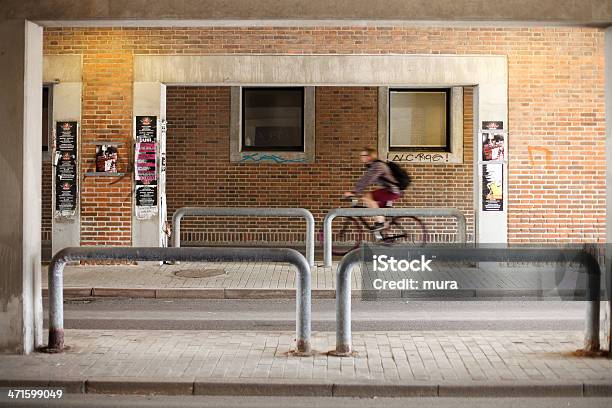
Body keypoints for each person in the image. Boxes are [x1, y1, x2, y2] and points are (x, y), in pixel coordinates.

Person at [344, 146, 401, 230]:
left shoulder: (377, 165)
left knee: (367, 197)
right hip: (390, 190)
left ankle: (380, 223)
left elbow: (366, 180)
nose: (361, 158)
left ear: (369, 156)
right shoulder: (374, 166)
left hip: (392, 191)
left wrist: (354, 192)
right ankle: (387, 238)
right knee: (380, 212)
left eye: (363, 155)